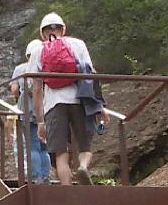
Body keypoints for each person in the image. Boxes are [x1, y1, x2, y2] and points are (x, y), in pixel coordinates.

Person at [31, 12, 109, 185]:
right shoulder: (78, 44)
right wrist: (100, 106)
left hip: (54, 105)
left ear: (42, 33)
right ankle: (82, 166)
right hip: (80, 101)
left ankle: (67, 191)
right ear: (63, 29)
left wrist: (40, 121)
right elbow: (91, 75)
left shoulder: (38, 50)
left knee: (60, 153)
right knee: (85, 146)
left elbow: (36, 89)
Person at [11, 39, 52, 184]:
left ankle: (36, 177)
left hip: (26, 109)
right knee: (44, 147)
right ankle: (46, 176)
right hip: (44, 108)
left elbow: (14, 90)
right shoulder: (47, 67)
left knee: (32, 146)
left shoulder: (20, 69)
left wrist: (18, 99)